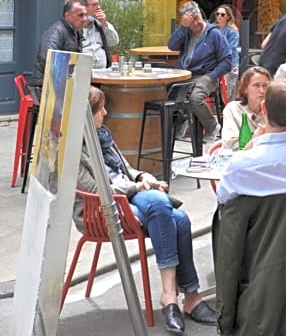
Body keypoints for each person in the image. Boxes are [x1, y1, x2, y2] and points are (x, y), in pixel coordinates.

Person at [74, 87, 215, 333]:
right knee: (163, 206)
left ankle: (183, 297)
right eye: (100, 110)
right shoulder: (73, 148)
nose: (105, 113)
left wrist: (142, 175)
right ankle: (178, 297)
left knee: (179, 219)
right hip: (101, 208)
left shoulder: (101, 135)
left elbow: (124, 167)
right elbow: (95, 188)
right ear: (86, 114)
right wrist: (138, 186)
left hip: (127, 195)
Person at [167, 1, 234, 141]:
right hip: (183, 75)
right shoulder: (186, 32)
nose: (195, 24)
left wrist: (212, 75)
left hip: (205, 75)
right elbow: (172, 46)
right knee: (166, 92)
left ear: (200, 14)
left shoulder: (214, 34)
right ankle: (179, 125)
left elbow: (228, 60)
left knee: (195, 97)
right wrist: (182, 27)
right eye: (190, 22)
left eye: (196, 18)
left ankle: (212, 127)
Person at [30, 0, 87, 89]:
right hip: (48, 87)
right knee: (96, 95)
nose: (84, 19)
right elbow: (48, 58)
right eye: (80, 15)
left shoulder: (76, 32)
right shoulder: (56, 32)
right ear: (67, 15)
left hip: (63, 83)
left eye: (85, 15)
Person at [220, 66, 271, 151]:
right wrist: (255, 139)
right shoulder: (233, 109)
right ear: (245, 89)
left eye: (265, 86)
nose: (262, 90)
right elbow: (231, 145)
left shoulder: (273, 111)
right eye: (256, 85)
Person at [77, 0, 119, 69]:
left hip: (102, 71)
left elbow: (114, 42)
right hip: (82, 72)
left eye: (98, 4)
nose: (99, 7)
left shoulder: (100, 24)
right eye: (94, 5)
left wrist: (104, 24)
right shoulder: (74, 27)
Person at [212, 3, 241, 102]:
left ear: (228, 16)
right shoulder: (212, 29)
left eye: (222, 14)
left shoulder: (232, 31)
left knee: (229, 93)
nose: (219, 16)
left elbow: (230, 48)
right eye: (217, 14)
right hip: (214, 65)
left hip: (229, 64)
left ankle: (230, 115)